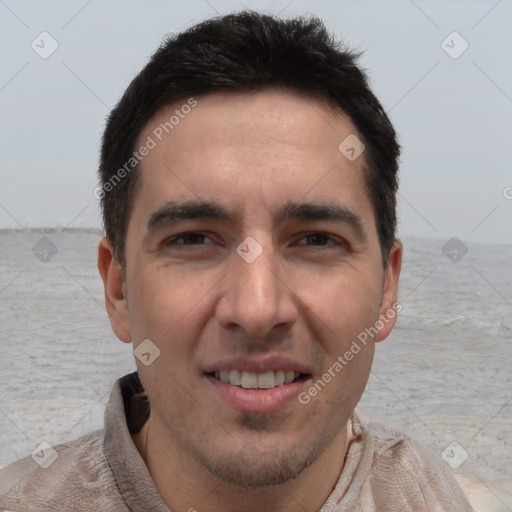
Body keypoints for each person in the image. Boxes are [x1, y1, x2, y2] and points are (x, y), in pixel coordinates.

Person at [0, 10, 474, 512]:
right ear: (117, 289)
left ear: (386, 288)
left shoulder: (430, 494)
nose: (256, 309)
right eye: (192, 239)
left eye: (315, 239)